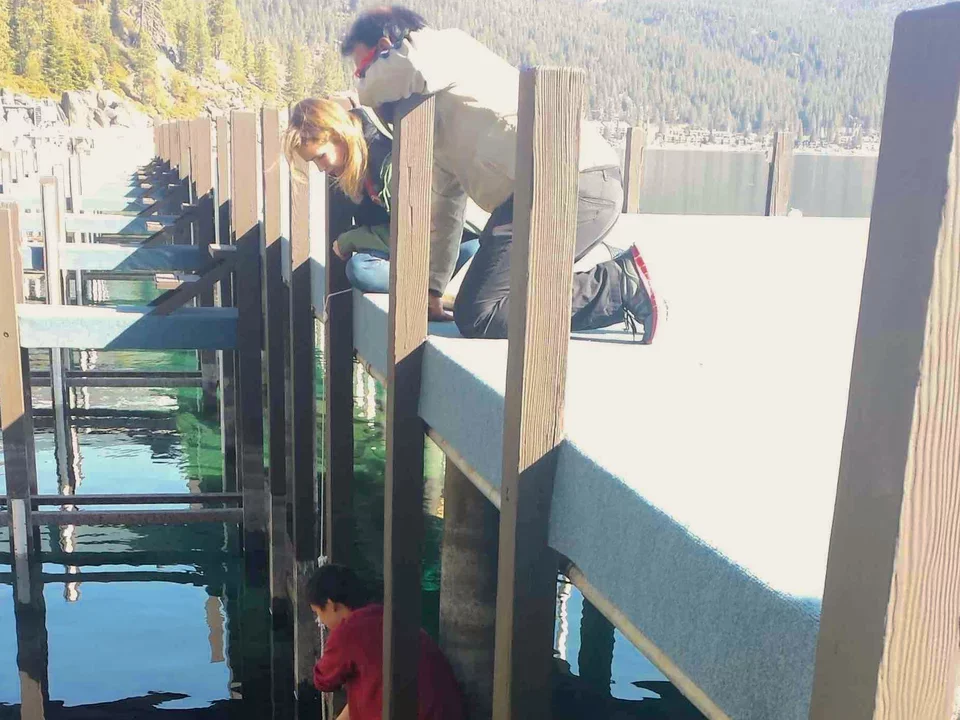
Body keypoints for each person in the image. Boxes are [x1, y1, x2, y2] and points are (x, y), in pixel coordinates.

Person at [341, 7, 661, 342]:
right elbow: (447, 210)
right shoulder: (438, 110)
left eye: (362, 70)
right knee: (480, 309)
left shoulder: (440, 47)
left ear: (385, 47)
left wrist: (358, 94)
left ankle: (619, 285)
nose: (362, 79)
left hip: (573, 184)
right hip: (538, 196)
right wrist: (432, 289)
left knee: (481, 313)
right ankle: (619, 284)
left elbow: (408, 70)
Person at [284, 97, 480, 321]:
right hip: (410, 253)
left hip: (451, 246)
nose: (321, 168)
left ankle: (432, 292)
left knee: (361, 270)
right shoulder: (351, 164)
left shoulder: (385, 157)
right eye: (313, 162)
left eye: (321, 156)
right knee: (361, 267)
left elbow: (416, 229)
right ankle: (439, 293)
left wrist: (352, 239)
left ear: (339, 135)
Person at [308, 564, 466, 720]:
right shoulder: (385, 616)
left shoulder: (349, 630)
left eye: (318, 613)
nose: (320, 621)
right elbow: (371, 687)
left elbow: (323, 681)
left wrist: (333, 643)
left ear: (331, 605)